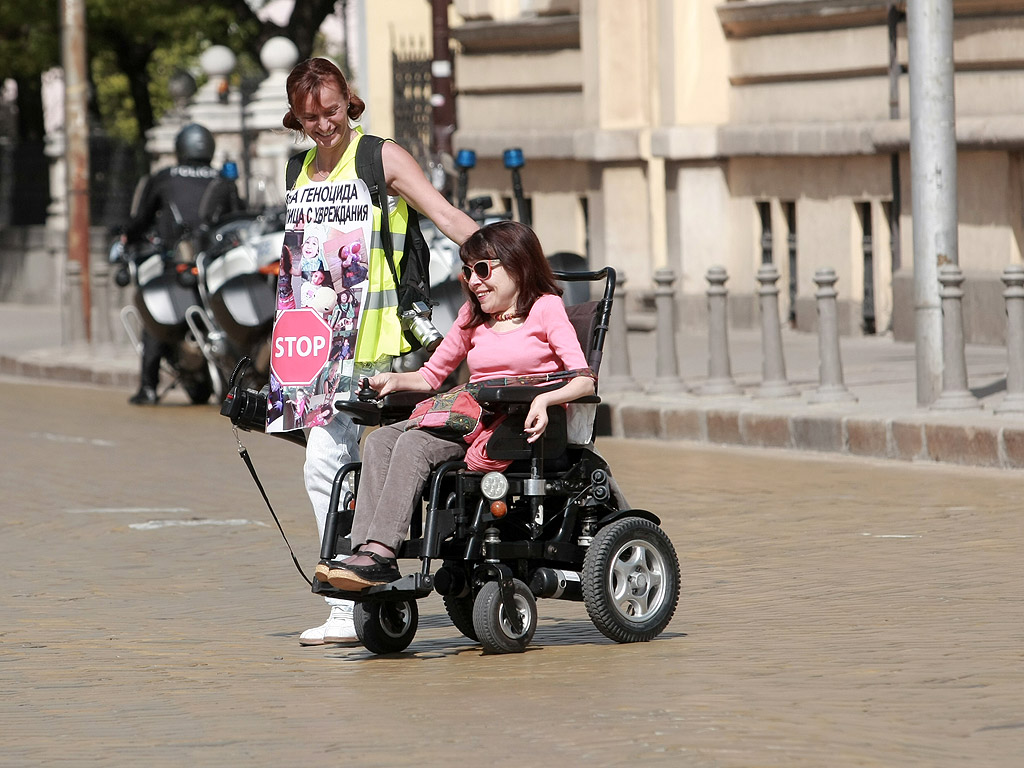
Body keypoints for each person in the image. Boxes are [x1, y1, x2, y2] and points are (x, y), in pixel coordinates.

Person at [281, 57, 478, 645]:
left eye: (333, 111)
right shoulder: (297, 171)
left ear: (350, 102)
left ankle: (356, 590)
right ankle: (354, 589)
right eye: (309, 117)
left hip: (382, 338)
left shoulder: (380, 157)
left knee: (339, 459)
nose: (323, 126)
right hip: (318, 341)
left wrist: (510, 256)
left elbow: (442, 214)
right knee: (326, 463)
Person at [322, 221, 596, 591]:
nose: (474, 281)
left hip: (512, 427)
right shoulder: (472, 316)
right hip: (469, 416)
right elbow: (431, 376)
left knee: (414, 445)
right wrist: (393, 381)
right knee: (380, 439)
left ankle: (380, 552)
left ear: (518, 265)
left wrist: (545, 399)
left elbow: (583, 379)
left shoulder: (545, 308)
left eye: (483, 269)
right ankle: (362, 554)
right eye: (468, 272)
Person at [124, 123, 242, 405]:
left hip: (178, 263)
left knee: (156, 314)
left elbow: (141, 218)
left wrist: (128, 236)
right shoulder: (222, 179)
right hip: (214, 264)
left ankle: (148, 387)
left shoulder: (164, 177)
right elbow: (237, 217)